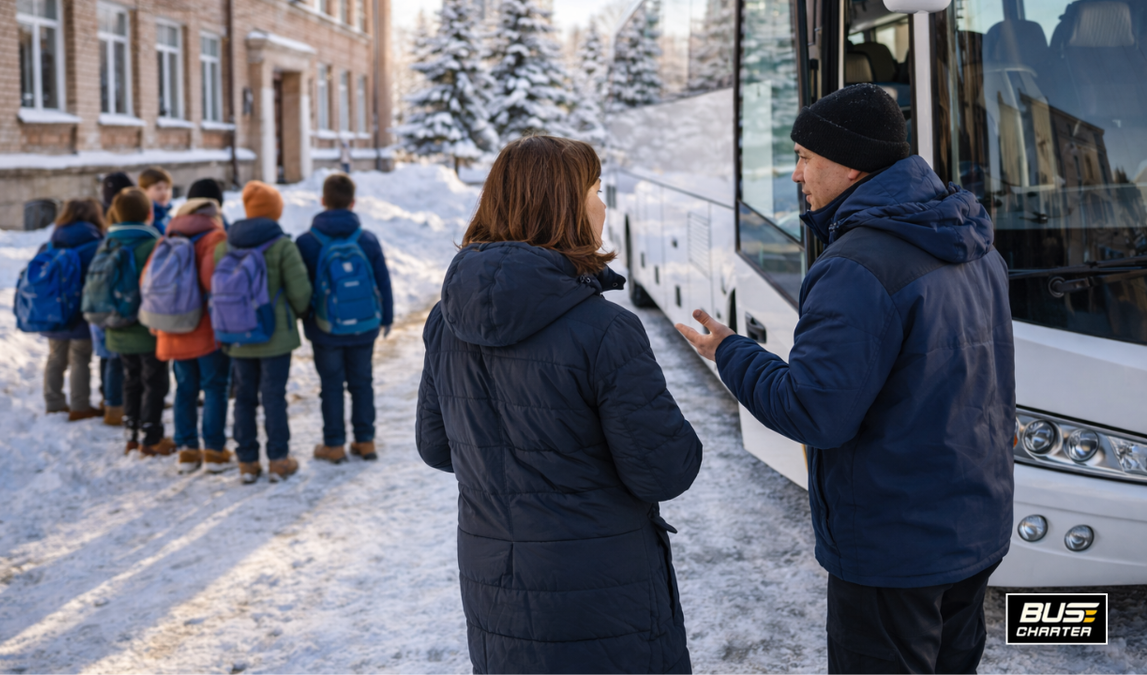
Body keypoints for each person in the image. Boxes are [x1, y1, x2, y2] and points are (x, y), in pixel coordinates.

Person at [676, 83, 1015, 674]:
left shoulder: (856, 266)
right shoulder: (973, 239)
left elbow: (814, 413)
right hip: (975, 526)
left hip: (894, 546)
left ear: (850, 164)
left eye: (806, 157)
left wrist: (730, 351)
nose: (796, 175)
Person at [417, 136, 703, 674]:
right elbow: (666, 471)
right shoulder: (607, 329)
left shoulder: (445, 321)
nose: (603, 203)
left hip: (495, 583)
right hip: (602, 591)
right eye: (595, 189)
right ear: (566, 205)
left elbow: (436, 447)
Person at [214, 181, 311, 484]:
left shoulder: (224, 246)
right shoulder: (282, 246)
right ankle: (279, 460)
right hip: (274, 337)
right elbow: (301, 293)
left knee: (243, 398)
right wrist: (291, 317)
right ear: (275, 212)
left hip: (236, 335)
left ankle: (247, 462)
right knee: (273, 397)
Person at [295, 172, 393, 463]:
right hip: (364, 325)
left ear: (322, 201)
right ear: (353, 202)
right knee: (362, 382)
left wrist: (305, 318)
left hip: (325, 329)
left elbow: (302, 287)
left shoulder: (307, 242)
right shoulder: (367, 239)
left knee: (331, 385)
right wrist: (385, 317)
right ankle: (365, 441)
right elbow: (382, 281)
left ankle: (334, 444)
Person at [148, 196, 234, 474]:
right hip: (204, 327)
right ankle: (214, 450)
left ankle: (187, 450)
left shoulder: (166, 238)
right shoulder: (214, 238)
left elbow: (146, 282)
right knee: (214, 387)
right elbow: (214, 282)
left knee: (184, 388)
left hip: (171, 326)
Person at [104, 187, 174, 457]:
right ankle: (152, 437)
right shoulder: (154, 244)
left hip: (117, 326)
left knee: (131, 380)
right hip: (148, 328)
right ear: (148, 214)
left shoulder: (108, 243)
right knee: (155, 382)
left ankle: (131, 435)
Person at [38, 198, 105, 421]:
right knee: (80, 357)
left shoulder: (53, 241)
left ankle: (53, 402)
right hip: (81, 312)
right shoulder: (96, 243)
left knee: (56, 356)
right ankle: (80, 405)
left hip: (55, 311)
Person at [98, 171, 134, 419]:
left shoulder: (99, 223)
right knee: (119, 357)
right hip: (120, 301)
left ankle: (109, 400)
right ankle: (115, 401)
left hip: (100, 303)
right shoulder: (118, 230)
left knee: (108, 354)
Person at [139, 167, 174, 234]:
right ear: (143, 190)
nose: (164, 193)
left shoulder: (168, 217)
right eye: (158, 188)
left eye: (167, 188)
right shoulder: (143, 219)